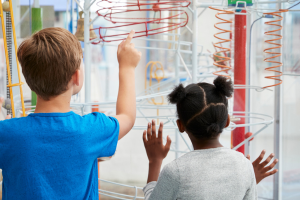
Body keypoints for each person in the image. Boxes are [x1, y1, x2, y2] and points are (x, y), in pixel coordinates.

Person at [0, 28, 141, 199]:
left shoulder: (7, 133)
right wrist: (127, 67)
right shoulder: (90, 130)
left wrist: (9, 130)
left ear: (29, 79)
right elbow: (127, 116)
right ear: (76, 77)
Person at [142, 76, 278, 200]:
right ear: (227, 121)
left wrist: (155, 161)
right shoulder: (244, 166)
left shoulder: (175, 172)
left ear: (180, 125)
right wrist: (250, 179)